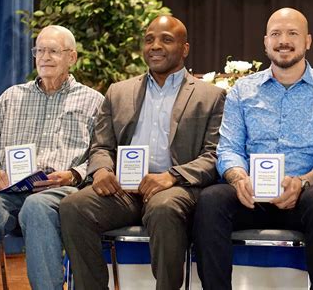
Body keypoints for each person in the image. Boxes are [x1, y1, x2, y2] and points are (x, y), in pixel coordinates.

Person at [193, 7, 313, 290]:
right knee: (211, 200)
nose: (284, 40)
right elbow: (229, 148)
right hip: (250, 195)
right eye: (276, 34)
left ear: (308, 41)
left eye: (293, 33)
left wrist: (303, 182)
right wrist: (238, 177)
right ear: (265, 42)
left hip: (303, 195)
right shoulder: (242, 90)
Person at [59, 15, 226, 290]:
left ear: (185, 48)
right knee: (74, 207)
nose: (155, 46)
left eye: (166, 39)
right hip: (123, 190)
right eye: (149, 39)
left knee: (163, 208)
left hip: (175, 189)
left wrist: (171, 177)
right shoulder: (119, 92)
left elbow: (214, 156)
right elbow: (101, 145)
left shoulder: (210, 96)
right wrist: (101, 170)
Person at [0, 25, 104, 290]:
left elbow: (103, 153)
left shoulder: (94, 102)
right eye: (40, 50)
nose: (44, 57)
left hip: (62, 189)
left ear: (72, 57)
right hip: (10, 189)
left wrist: (74, 174)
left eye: (53, 51)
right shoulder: (11, 97)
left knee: (36, 207)